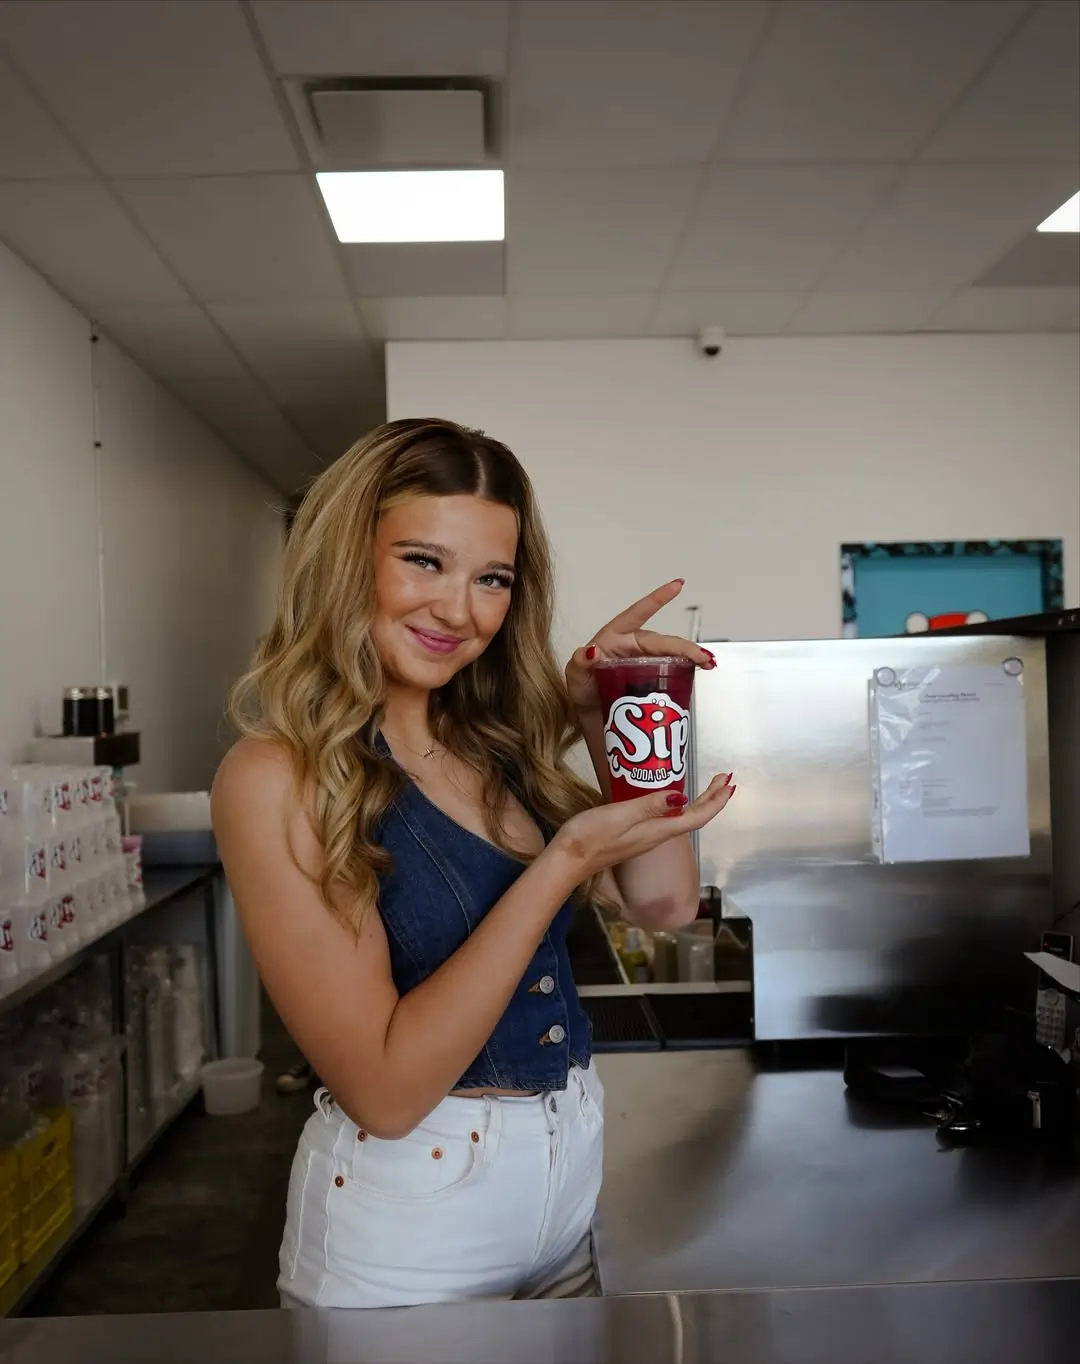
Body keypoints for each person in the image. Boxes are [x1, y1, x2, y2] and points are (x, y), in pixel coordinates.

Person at [211, 419, 735, 1309]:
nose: (461, 611)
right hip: (412, 1234)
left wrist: (612, 713)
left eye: (493, 578)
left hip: (566, 1198)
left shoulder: (494, 747)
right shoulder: (278, 776)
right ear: (345, 562)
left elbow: (664, 903)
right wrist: (562, 862)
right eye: (424, 562)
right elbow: (384, 1093)